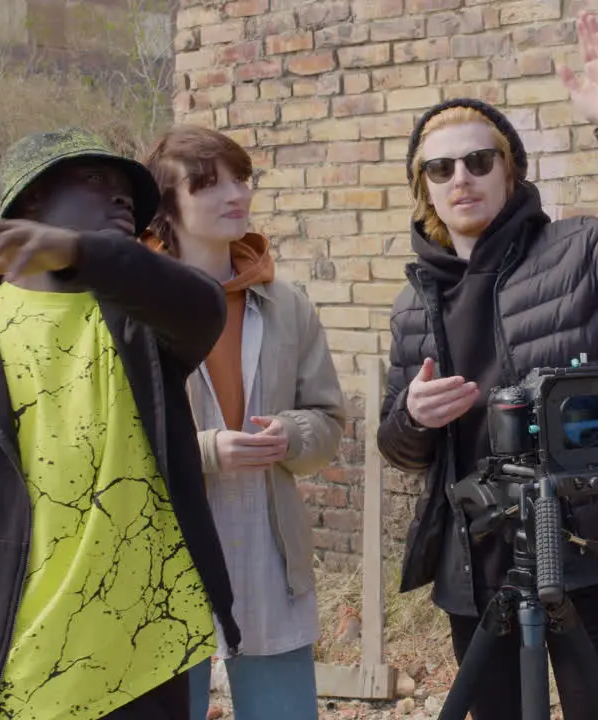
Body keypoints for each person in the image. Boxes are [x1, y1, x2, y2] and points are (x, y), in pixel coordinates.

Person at [376, 11, 598, 720]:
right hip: (475, 563)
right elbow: (396, 445)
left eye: (478, 160)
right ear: (424, 188)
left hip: (587, 549)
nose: (460, 177)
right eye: (440, 168)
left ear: (510, 168)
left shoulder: (578, 250)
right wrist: (412, 417)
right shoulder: (413, 305)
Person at [0, 127, 241, 720]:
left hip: (147, 666)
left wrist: (78, 253)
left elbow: (203, 306)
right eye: (96, 180)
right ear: (32, 202)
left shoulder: (144, 322)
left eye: (129, 191)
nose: (121, 197)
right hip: (11, 677)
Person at [139, 125, 345, 719]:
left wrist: (289, 435)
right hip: (165, 545)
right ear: (168, 207)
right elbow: (106, 436)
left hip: (268, 537)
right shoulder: (135, 307)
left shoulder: (287, 304)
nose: (235, 195)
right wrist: (204, 449)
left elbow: (328, 420)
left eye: (240, 179)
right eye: (207, 184)